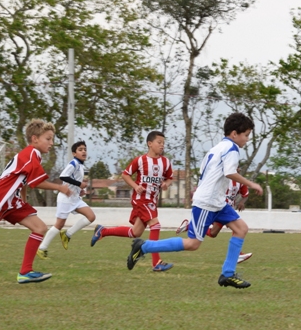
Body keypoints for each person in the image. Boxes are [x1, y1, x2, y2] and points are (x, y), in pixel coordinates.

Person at [125, 112, 264, 289]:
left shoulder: (217, 148)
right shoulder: (232, 149)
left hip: (217, 201)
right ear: (235, 134)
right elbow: (229, 172)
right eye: (246, 135)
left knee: (241, 228)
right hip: (207, 203)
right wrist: (252, 184)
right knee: (193, 244)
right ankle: (143, 247)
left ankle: (227, 274)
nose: (247, 139)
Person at [0, 119, 71, 283]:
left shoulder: (32, 155)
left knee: (39, 227)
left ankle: (25, 272)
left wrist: (22, 198)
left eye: (52, 139)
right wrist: (60, 188)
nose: (51, 143)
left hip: (11, 202)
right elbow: (37, 182)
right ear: (35, 139)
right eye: (48, 139)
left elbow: (25, 179)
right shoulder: (31, 153)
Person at [90, 131, 174, 272]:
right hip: (141, 199)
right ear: (150, 144)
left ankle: (103, 231)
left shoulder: (165, 162)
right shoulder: (140, 160)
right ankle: (156, 262)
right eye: (159, 142)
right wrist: (135, 186)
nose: (162, 145)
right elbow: (125, 174)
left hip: (152, 200)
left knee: (135, 233)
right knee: (156, 225)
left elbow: (170, 177)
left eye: (163, 143)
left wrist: (167, 183)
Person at [176, 169, 253, 264]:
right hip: (218, 207)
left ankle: (189, 226)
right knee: (232, 229)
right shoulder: (222, 177)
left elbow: (245, 194)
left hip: (226, 210)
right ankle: (237, 254)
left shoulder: (240, 181)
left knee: (216, 232)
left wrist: (241, 202)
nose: (237, 168)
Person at [37, 141, 97, 259]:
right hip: (65, 198)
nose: (84, 151)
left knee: (91, 216)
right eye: (80, 149)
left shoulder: (81, 166)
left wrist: (79, 190)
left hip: (75, 198)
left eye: (85, 149)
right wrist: (79, 184)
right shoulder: (73, 163)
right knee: (59, 224)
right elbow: (63, 176)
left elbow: (71, 182)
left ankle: (67, 234)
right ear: (74, 153)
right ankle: (42, 248)